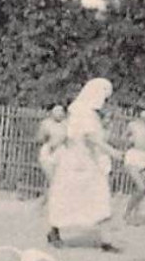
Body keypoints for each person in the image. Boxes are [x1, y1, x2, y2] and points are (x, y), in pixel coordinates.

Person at [46, 78, 121, 251]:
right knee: (66, 197)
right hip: (75, 161)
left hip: (89, 160)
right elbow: (90, 137)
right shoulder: (82, 112)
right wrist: (112, 152)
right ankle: (54, 230)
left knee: (101, 196)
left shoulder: (89, 113)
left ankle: (105, 240)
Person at [123, 106, 145, 224]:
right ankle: (128, 212)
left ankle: (135, 214)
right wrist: (129, 140)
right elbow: (124, 137)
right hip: (133, 156)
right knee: (142, 187)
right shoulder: (132, 125)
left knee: (139, 190)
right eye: (144, 111)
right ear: (139, 112)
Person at [36, 104, 67, 198]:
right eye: (56, 111)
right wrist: (47, 138)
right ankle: (46, 203)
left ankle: (46, 203)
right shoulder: (46, 123)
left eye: (61, 111)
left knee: (60, 181)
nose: (59, 113)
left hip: (61, 153)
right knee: (53, 180)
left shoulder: (66, 124)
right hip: (48, 153)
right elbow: (39, 139)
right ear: (51, 113)